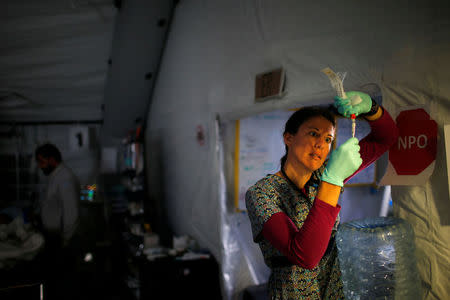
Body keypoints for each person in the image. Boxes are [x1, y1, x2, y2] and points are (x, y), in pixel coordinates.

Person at [245, 91, 399, 299]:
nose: (320, 144)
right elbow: (305, 256)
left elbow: (386, 137)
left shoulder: (324, 176)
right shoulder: (262, 193)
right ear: (288, 138)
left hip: (335, 289)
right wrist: (333, 180)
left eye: (328, 139)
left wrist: (372, 109)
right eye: (313, 133)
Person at [35, 143, 81, 299]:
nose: (40, 166)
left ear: (53, 160)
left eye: (42, 161)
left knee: (63, 283)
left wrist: (66, 240)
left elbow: (71, 212)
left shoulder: (64, 177)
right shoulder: (55, 176)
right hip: (55, 238)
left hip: (61, 240)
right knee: (57, 281)